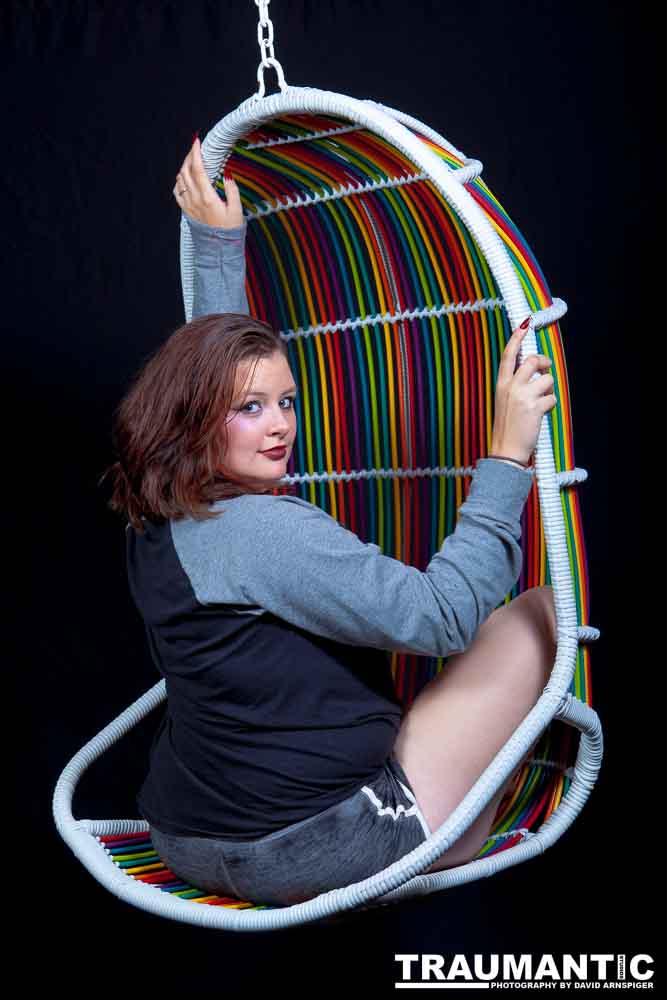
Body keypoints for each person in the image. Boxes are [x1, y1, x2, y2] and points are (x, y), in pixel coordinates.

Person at [102, 137, 559, 907]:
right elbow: (442, 617)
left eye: (286, 402)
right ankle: (456, 819)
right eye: (253, 409)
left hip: (183, 834)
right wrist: (507, 456)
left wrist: (217, 248)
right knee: (544, 615)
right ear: (195, 417)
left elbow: (219, 379)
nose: (278, 426)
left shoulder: (154, 517)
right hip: (311, 845)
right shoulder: (264, 534)